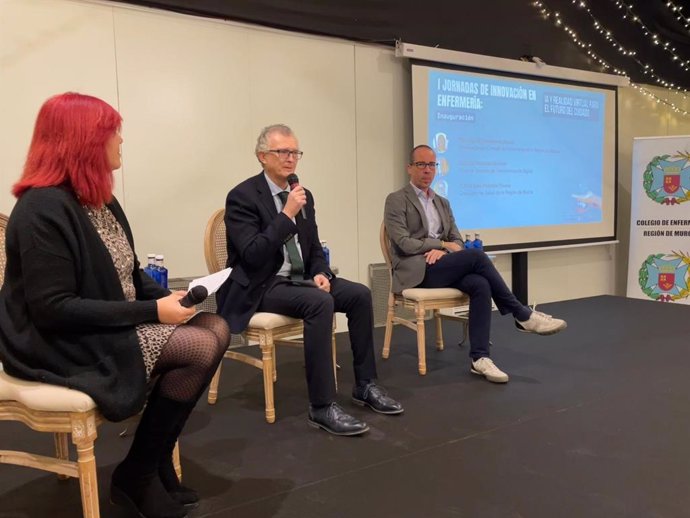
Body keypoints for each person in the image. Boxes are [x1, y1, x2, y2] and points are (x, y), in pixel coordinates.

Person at [0, 93, 229, 518]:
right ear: (83, 141)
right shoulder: (40, 209)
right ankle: (138, 473)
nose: (121, 140)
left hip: (102, 323)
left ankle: (152, 461)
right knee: (200, 346)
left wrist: (165, 298)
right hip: (55, 341)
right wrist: (152, 313)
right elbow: (54, 309)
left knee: (213, 326)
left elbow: (130, 271)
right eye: (112, 132)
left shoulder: (100, 199)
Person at [216, 124, 403, 437]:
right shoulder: (242, 196)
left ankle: (366, 385)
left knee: (358, 295)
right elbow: (252, 255)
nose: (291, 159)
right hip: (262, 284)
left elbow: (313, 246)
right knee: (320, 303)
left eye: (295, 152)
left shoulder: (303, 195)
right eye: (283, 152)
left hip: (301, 279)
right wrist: (286, 215)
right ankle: (321, 406)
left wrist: (320, 272)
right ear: (262, 156)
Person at [383, 145, 567, 383]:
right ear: (409, 168)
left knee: (480, 284)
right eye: (421, 165)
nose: (427, 170)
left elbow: (457, 240)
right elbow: (404, 243)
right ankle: (521, 313)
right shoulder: (396, 200)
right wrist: (439, 246)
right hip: (415, 271)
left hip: (443, 266)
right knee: (478, 256)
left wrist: (446, 249)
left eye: (432, 165)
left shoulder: (442, 203)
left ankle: (480, 358)